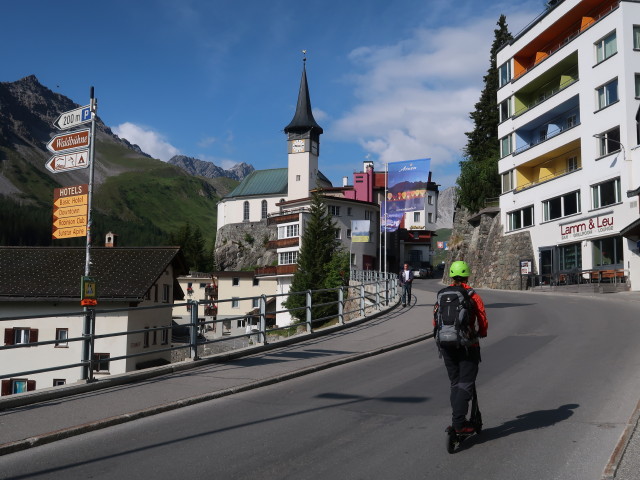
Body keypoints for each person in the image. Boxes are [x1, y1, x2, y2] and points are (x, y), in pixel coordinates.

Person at [434, 260, 488, 434]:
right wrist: (483, 332)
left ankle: (457, 419)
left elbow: (436, 320)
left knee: (455, 383)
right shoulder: (472, 295)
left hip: (445, 344)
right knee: (466, 383)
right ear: (466, 275)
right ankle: (459, 424)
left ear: (451, 275)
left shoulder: (442, 294)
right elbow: (482, 319)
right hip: (467, 345)